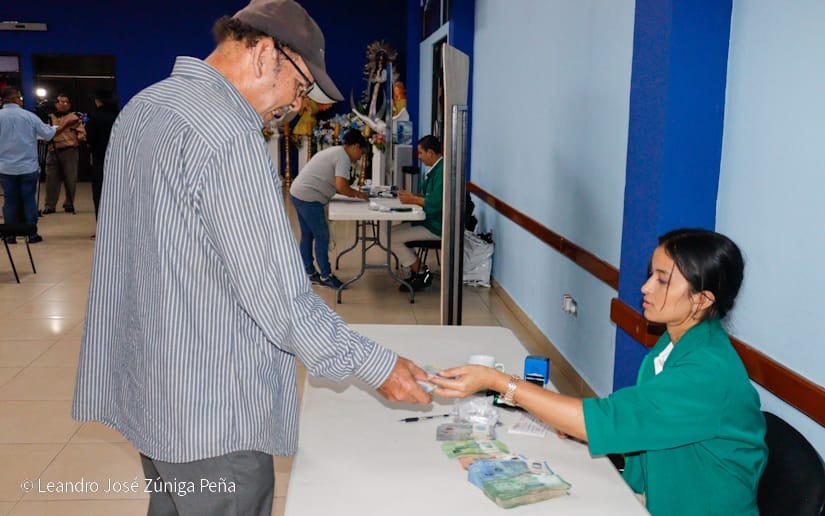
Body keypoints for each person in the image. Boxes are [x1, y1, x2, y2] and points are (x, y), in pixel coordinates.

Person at [71, 2, 431, 515]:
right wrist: (377, 365)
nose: (294, 106)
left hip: (152, 390)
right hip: (211, 411)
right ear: (265, 53)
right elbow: (279, 296)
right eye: (299, 88)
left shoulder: (145, 107)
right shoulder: (227, 134)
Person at [431, 228, 767, 515]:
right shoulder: (674, 344)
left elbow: (609, 418)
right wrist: (584, 430)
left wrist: (498, 381)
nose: (646, 287)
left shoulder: (707, 372)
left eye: (662, 280)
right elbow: (643, 420)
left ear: (702, 299)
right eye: (651, 274)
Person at [290, 129, 369, 289]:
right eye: (361, 153)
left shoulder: (336, 151)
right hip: (309, 197)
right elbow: (341, 186)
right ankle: (326, 276)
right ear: (355, 146)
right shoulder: (343, 157)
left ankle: (309, 272)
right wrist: (359, 195)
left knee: (307, 234)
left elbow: (337, 185)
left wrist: (353, 193)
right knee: (322, 236)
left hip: (298, 192)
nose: (360, 157)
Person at [380, 134, 443, 292]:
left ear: (430, 153)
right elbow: (430, 196)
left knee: (389, 238)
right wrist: (413, 196)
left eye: (421, 153)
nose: (419, 157)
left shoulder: (442, 171)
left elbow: (436, 203)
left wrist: (413, 199)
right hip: (429, 220)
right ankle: (417, 269)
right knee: (390, 233)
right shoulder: (437, 169)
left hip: (436, 226)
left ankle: (421, 272)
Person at [0, 87, 54, 243]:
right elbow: (48, 134)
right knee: (29, 199)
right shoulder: (29, 116)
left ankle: (9, 235)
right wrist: (53, 128)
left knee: (10, 201)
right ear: (16, 99)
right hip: (28, 167)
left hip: (5, 167)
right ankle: (31, 234)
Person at [44, 93, 85, 214]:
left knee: (70, 178)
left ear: (70, 105)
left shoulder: (74, 117)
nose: (63, 105)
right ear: (56, 104)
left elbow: (81, 131)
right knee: (51, 179)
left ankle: (69, 203)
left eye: (66, 102)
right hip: (53, 150)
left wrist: (81, 135)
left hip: (69, 150)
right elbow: (46, 134)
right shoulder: (49, 117)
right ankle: (50, 205)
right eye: (60, 102)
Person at [84, 89, 120, 226]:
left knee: (100, 194)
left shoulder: (95, 118)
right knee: (118, 194)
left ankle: (102, 227)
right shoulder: (120, 115)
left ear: (99, 101)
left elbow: (90, 140)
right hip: (119, 160)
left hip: (100, 159)